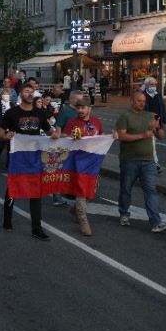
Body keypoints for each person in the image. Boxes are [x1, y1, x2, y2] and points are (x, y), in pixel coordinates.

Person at [0, 85, 59, 240]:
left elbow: (49, 131)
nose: (30, 94)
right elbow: (0, 131)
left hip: (34, 157)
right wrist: (6, 136)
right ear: (20, 94)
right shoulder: (12, 113)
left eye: (32, 92)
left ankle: (36, 228)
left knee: (36, 191)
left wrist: (55, 135)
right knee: (13, 188)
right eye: (27, 91)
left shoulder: (40, 113)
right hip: (18, 156)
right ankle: (7, 219)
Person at [114, 91, 166, 233]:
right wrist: (142, 135)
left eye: (144, 101)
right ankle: (124, 213)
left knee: (151, 191)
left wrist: (159, 127)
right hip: (129, 160)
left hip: (148, 161)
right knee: (126, 189)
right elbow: (121, 136)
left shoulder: (150, 116)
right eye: (139, 101)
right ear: (132, 101)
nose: (142, 103)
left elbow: (161, 136)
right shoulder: (125, 116)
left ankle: (155, 222)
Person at [61, 98, 104, 236]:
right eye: (78, 108)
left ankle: (75, 209)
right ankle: (83, 221)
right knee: (81, 192)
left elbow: (102, 137)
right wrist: (70, 138)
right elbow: (63, 137)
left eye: (83, 108)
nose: (80, 110)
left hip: (93, 164)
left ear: (89, 108)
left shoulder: (96, 121)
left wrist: (112, 137)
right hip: (78, 164)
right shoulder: (72, 123)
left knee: (89, 193)